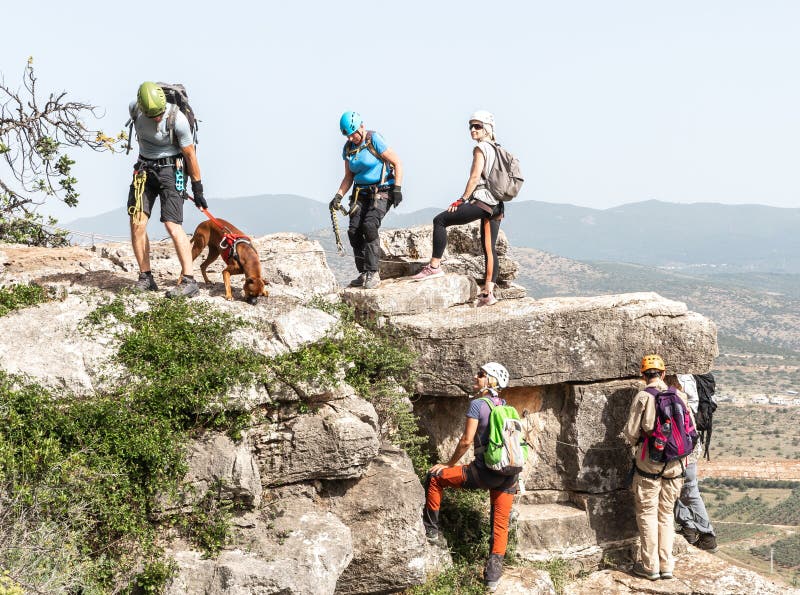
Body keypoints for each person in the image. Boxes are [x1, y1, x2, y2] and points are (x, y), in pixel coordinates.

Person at [422, 362, 518, 591]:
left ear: (491, 381)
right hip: (509, 474)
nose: (476, 377)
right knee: (500, 524)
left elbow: (466, 441)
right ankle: (492, 578)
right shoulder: (504, 405)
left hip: (484, 473)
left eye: (481, 374)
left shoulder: (477, 405)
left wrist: (448, 464)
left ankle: (431, 531)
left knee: (435, 477)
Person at [411, 110, 504, 307]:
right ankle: (489, 293)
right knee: (489, 248)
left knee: (440, 220)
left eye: (477, 126)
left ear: (487, 128)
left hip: (483, 201)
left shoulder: (481, 148)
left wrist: (462, 200)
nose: (472, 129)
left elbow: (474, 177)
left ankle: (435, 266)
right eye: (471, 126)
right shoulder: (497, 148)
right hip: (497, 204)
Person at [127, 81, 206, 297]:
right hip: (144, 170)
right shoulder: (135, 109)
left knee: (172, 224)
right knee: (137, 222)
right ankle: (146, 277)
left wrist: (198, 188)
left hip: (173, 171)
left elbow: (190, 154)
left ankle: (189, 281)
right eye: (153, 116)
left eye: (160, 113)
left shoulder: (177, 119)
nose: (158, 118)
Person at [623, 354, 690, 581]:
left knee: (648, 513)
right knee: (666, 514)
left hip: (649, 464)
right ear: (663, 373)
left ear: (644, 375)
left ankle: (650, 567)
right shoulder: (679, 395)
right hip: (675, 465)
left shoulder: (643, 397)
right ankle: (667, 565)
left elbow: (631, 433)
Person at [330, 111, 403, 290]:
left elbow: (397, 162)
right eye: (348, 135)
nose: (352, 137)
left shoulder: (373, 139)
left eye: (354, 133)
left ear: (361, 127)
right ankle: (363, 273)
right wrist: (338, 196)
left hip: (382, 190)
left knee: (370, 226)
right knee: (354, 231)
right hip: (359, 194)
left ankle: (373, 272)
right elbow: (349, 176)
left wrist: (397, 189)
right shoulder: (348, 148)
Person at [673, 373, 718, 552]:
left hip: (683, 445)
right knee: (679, 487)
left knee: (689, 488)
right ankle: (689, 527)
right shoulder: (690, 379)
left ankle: (707, 536)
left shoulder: (682, 381)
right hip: (689, 442)